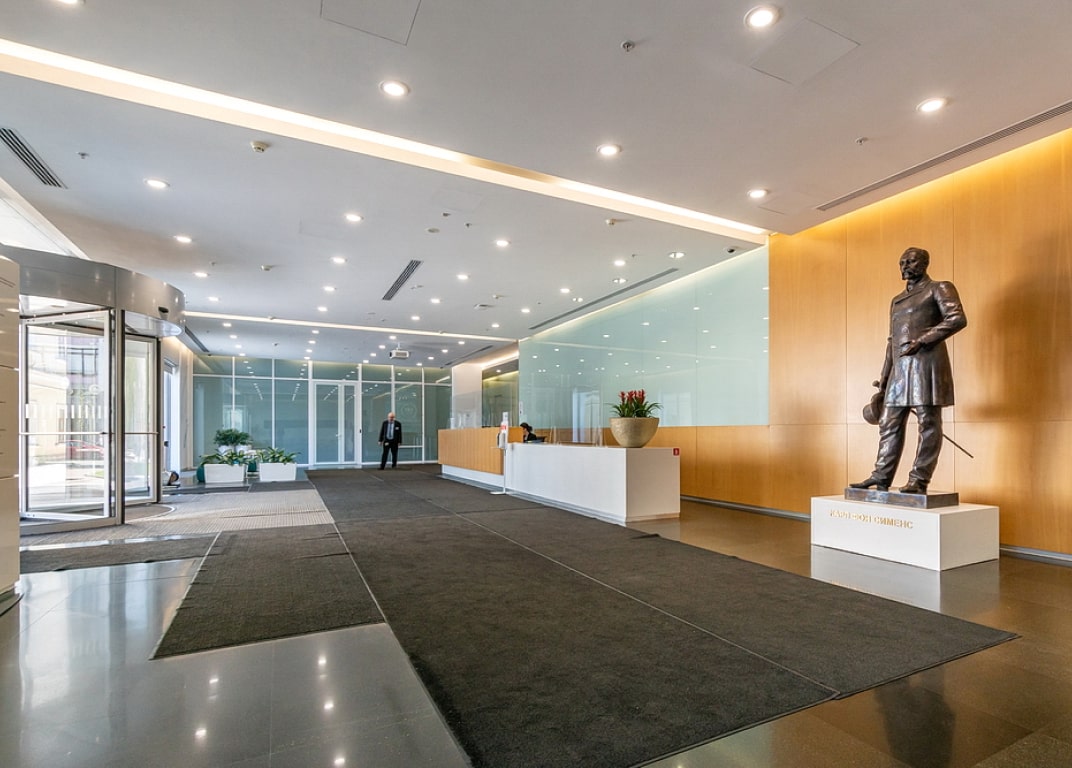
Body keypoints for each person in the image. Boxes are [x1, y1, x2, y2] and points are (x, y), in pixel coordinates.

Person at [850, 247, 967, 494]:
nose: (905, 266)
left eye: (911, 261)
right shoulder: (897, 300)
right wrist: (884, 378)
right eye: (902, 262)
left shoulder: (939, 288)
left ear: (924, 263)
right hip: (899, 371)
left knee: (928, 422)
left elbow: (956, 318)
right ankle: (881, 476)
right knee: (889, 422)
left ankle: (919, 480)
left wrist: (923, 340)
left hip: (926, 364)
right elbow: (892, 341)